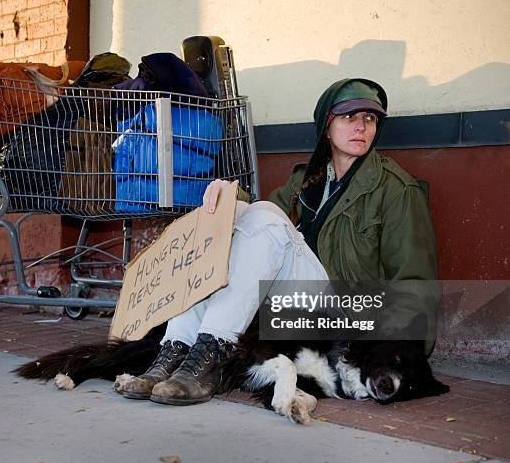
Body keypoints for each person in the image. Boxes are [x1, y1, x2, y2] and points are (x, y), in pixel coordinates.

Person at [116, 78, 438, 406]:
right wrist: (228, 198)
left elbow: (415, 289)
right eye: (349, 117)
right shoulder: (306, 179)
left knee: (264, 215)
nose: (361, 127)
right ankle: (174, 351)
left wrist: (375, 344)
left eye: (369, 119)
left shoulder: (397, 191)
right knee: (243, 214)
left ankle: (212, 351)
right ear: (326, 126)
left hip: (345, 318)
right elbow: (258, 227)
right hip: (302, 308)